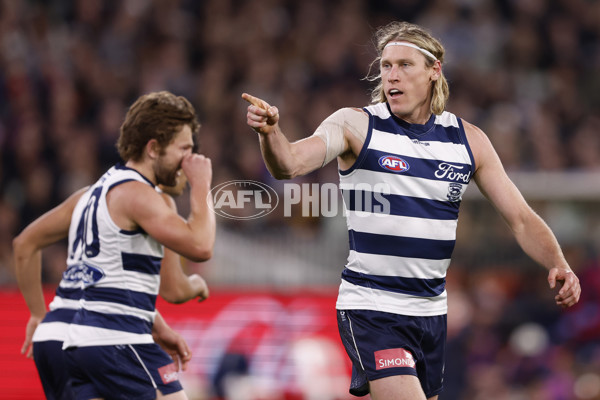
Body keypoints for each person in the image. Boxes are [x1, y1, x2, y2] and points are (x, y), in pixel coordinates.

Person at [242, 21, 581, 400]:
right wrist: (270, 133)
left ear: (434, 71)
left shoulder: (468, 140)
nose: (392, 75)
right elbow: (288, 164)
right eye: (386, 66)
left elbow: (519, 217)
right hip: (372, 306)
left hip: (430, 313)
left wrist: (559, 262)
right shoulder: (356, 124)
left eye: (404, 65)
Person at [15, 90, 215, 400]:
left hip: (70, 338)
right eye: (184, 149)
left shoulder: (93, 192)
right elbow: (200, 249)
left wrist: (39, 316)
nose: (190, 160)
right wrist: (202, 186)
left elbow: (25, 244)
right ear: (153, 148)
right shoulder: (143, 197)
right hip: (117, 338)